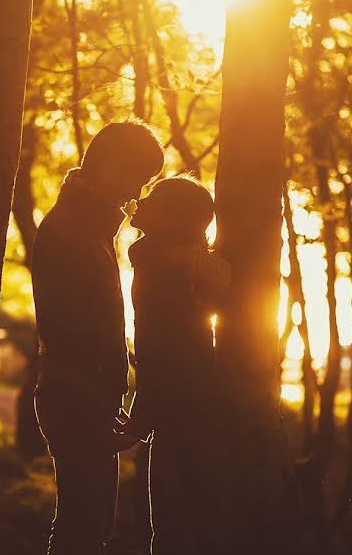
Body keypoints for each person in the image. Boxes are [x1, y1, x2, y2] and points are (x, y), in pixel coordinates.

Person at [32, 120, 165, 554]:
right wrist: (94, 407)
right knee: (82, 526)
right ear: (111, 167)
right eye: (136, 180)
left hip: (87, 402)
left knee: (89, 524)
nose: (135, 195)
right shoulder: (69, 230)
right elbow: (66, 330)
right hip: (75, 402)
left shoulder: (92, 229)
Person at [119, 176, 231, 554]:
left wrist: (142, 415)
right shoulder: (176, 261)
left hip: (181, 409)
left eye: (152, 198)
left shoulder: (165, 266)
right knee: (180, 524)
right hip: (190, 406)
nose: (139, 200)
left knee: (173, 527)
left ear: (172, 220)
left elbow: (165, 347)